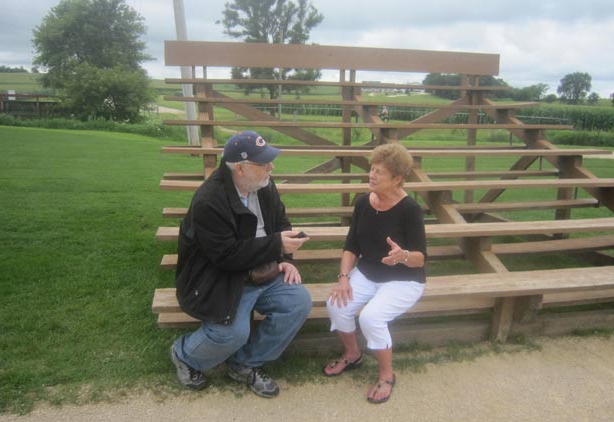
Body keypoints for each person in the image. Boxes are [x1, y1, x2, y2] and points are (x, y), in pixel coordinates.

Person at [170, 131, 312, 398]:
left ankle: (245, 363)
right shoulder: (208, 200)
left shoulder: (264, 185)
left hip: (263, 270)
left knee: (298, 302)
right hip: (218, 277)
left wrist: (284, 259)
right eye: (263, 163)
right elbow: (226, 255)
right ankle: (184, 354)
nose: (271, 167)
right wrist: (276, 246)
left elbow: (281, 224)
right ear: (240, 168)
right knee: (232, 333)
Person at [323, 143, 427, 404]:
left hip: (404, 280)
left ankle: (387, 375)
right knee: (336, 304)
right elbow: (351, 246)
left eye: (379, 172)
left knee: (371, 317)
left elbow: (420, 259)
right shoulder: (362, 203)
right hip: (368, 273)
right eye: (372, 169)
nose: (371, 175)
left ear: (397, 179)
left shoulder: (410, 210)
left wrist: (402, 255)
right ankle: (352, 355)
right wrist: (344, 278)